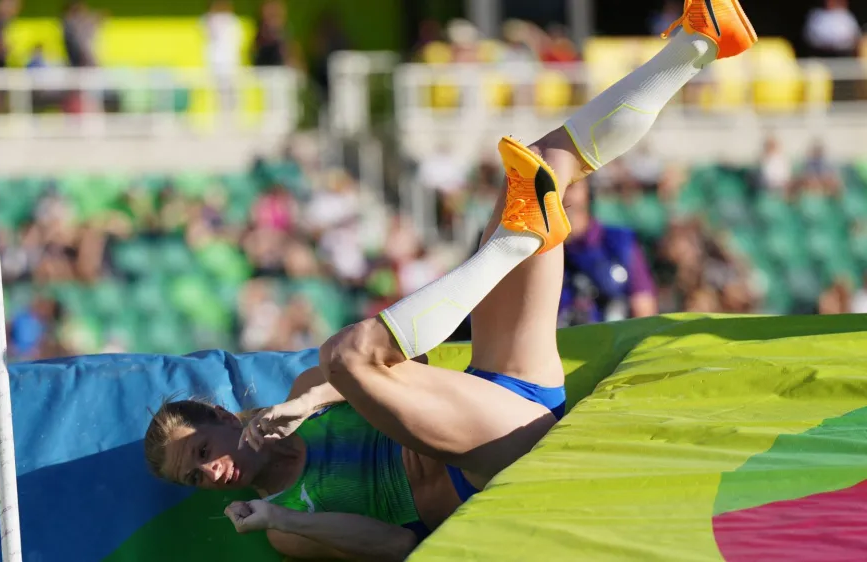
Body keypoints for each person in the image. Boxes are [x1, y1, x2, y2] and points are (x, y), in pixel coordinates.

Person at [144, 2, 757, 560]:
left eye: (202, 452)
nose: (211, 472)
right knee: (348, 355)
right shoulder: (280, 527)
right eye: (194, 478)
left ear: (224, 416)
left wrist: (305, 402)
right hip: (490, 465)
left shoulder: (304, 393)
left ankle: (699, 43)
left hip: (503, 391)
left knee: (537, 170)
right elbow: (393, 547)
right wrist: (286, 518)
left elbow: (361, 381)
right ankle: (512, 244)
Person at [559, 180, 658, 326]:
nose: (563, 195)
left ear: (588, 192)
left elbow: (644, 308)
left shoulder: (619, 243)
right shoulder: (539, 252)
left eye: (571, 186)